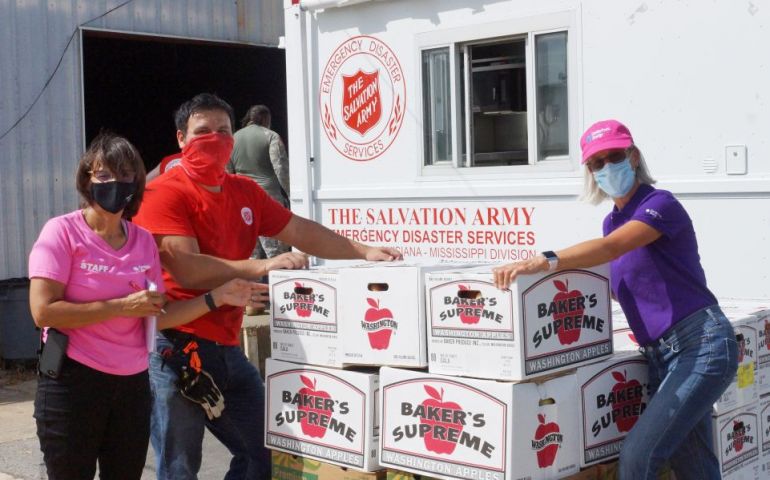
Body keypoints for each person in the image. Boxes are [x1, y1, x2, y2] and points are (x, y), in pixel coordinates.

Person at [132, 93, 402, 480]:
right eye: (202, 131)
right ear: (181, 139)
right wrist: (263, 263)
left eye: (223, 131)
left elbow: (299, 230)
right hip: (177, 348)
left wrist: (362, 250)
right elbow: (187, 268)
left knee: (263, 452)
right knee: (179, 467)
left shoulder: (244, 191)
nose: (214, 139)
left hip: (226, 347)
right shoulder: (164, 192)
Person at [492, 119, 738, 480]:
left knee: (639, 457)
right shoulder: (612, 221)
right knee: (695, 467)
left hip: (700, 345)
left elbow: (612, 248)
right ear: (589, 172)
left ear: (634, 156)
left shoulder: (660, 204)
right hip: (661, 357)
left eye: (615, 156)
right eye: (597, 162)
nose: (607, 167)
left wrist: (546, 259)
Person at [28, 133, 267, 480]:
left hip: (131, 386)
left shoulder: (141, 240)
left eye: (124, 176)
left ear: (137, 184)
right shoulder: (61, 232)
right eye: (103, 175)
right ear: (86, 180)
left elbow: (160, 313)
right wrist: (122, 307)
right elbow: (43, 311)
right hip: (71, 381)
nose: (114, 183)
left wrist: (217, 297)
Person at [229, 105, 291, 262]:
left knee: (250, 253)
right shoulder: (270, 136)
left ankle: (253, 285)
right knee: (276, 253)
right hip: (268, 197)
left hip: (241, 200)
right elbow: (280, 168)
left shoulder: (232, 139)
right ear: (266, 119)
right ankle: (278, 284)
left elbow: (227, 173)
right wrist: (291, 193)